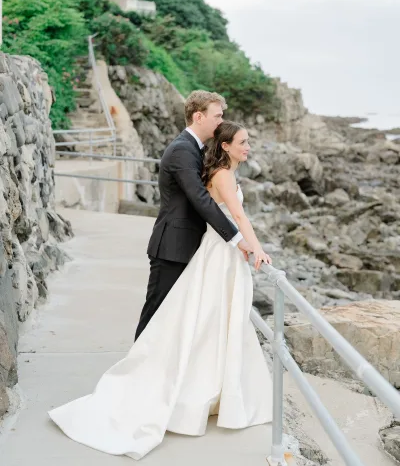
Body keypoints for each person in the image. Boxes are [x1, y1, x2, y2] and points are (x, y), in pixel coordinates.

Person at [48, 118, 273, 460]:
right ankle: (179, 388)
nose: (248, 147)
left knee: (209, 322)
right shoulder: (221, 174)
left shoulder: (218, 170)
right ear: (226, 146)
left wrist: (246, 246)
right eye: (243, 142)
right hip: (219, 254)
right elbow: (238, 217)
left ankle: (208, 389)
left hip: (218, 251)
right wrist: (254, 247)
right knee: (206, 320)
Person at [134, 90, 269, 340]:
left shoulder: (196, 149)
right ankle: (135, 370)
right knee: (156, 314)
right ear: (198, 116)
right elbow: (200, 199)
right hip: (172, 248)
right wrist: (237, 239)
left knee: (175, 316)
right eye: (217, 116)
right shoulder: (182, 150)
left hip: (189, 246)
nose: (221, 121)